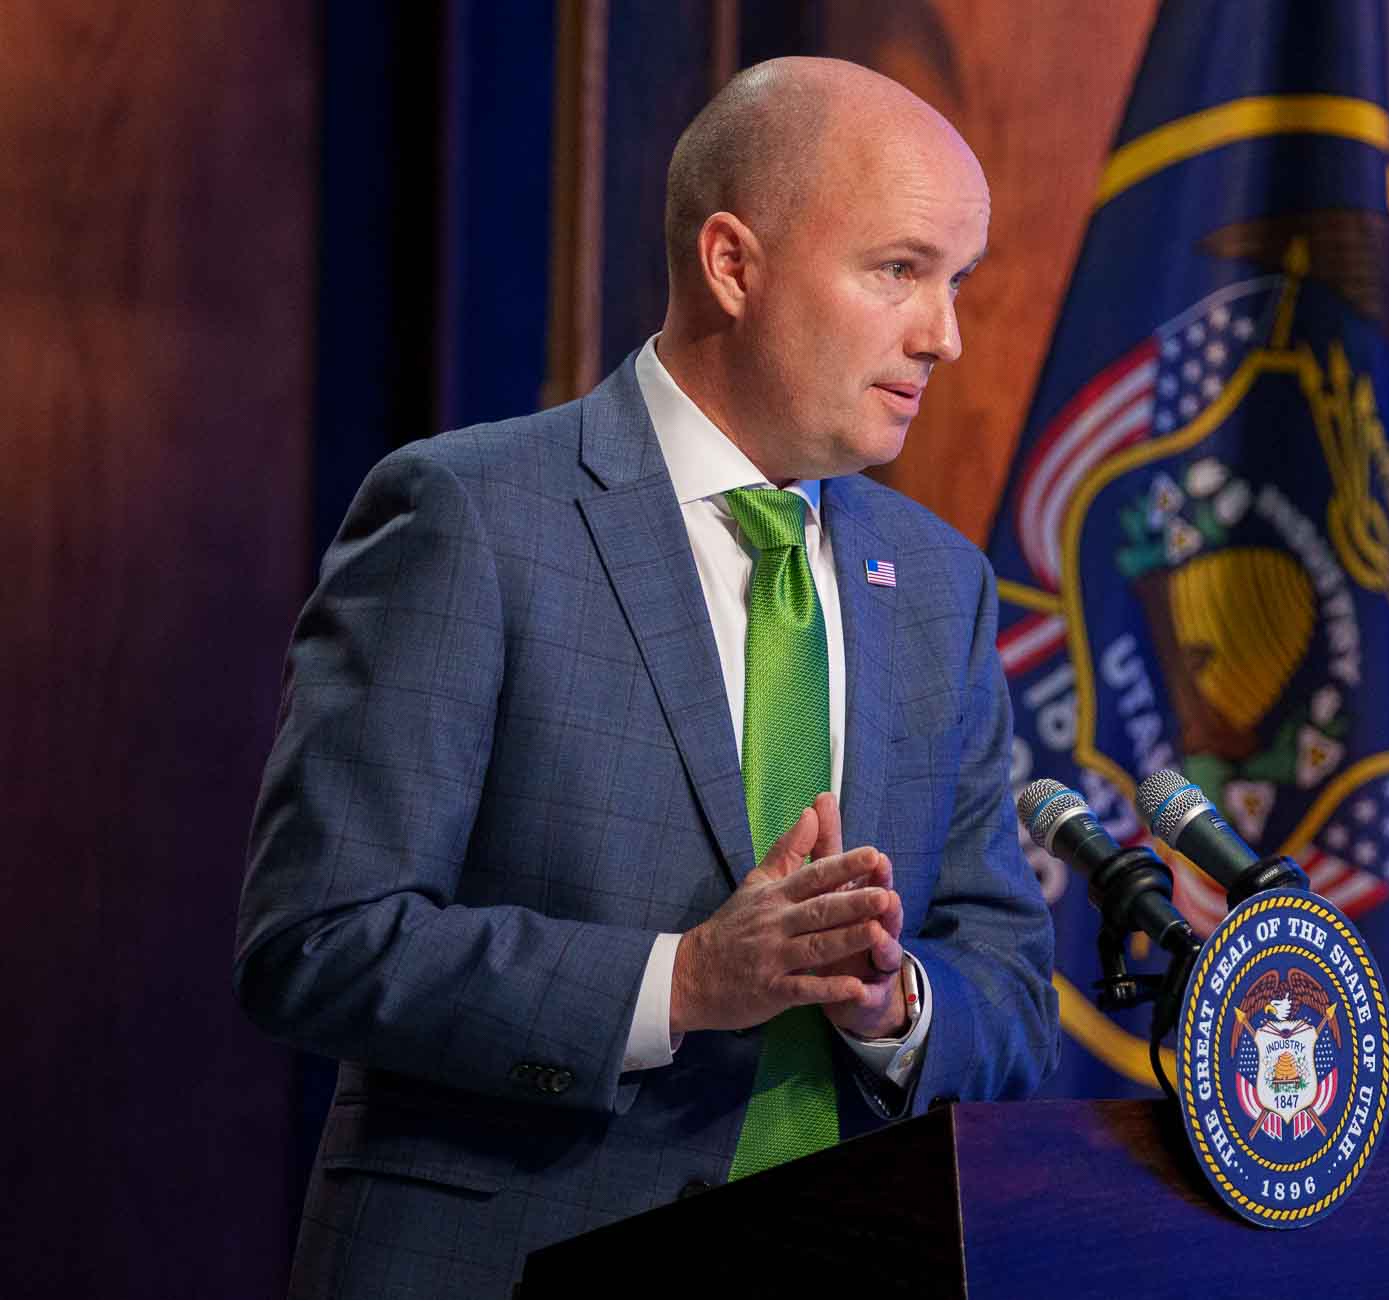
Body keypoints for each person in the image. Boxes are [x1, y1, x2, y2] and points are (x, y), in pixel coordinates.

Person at [234, 56, 1059, 1298]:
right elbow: (318, 941)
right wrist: (681, 983)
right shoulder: (470, 514)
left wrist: (897, 1011)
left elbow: (1006, 980)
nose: (942, 334)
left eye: (957, 284)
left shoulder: (943, 586)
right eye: (900, 270)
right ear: (733, 265)